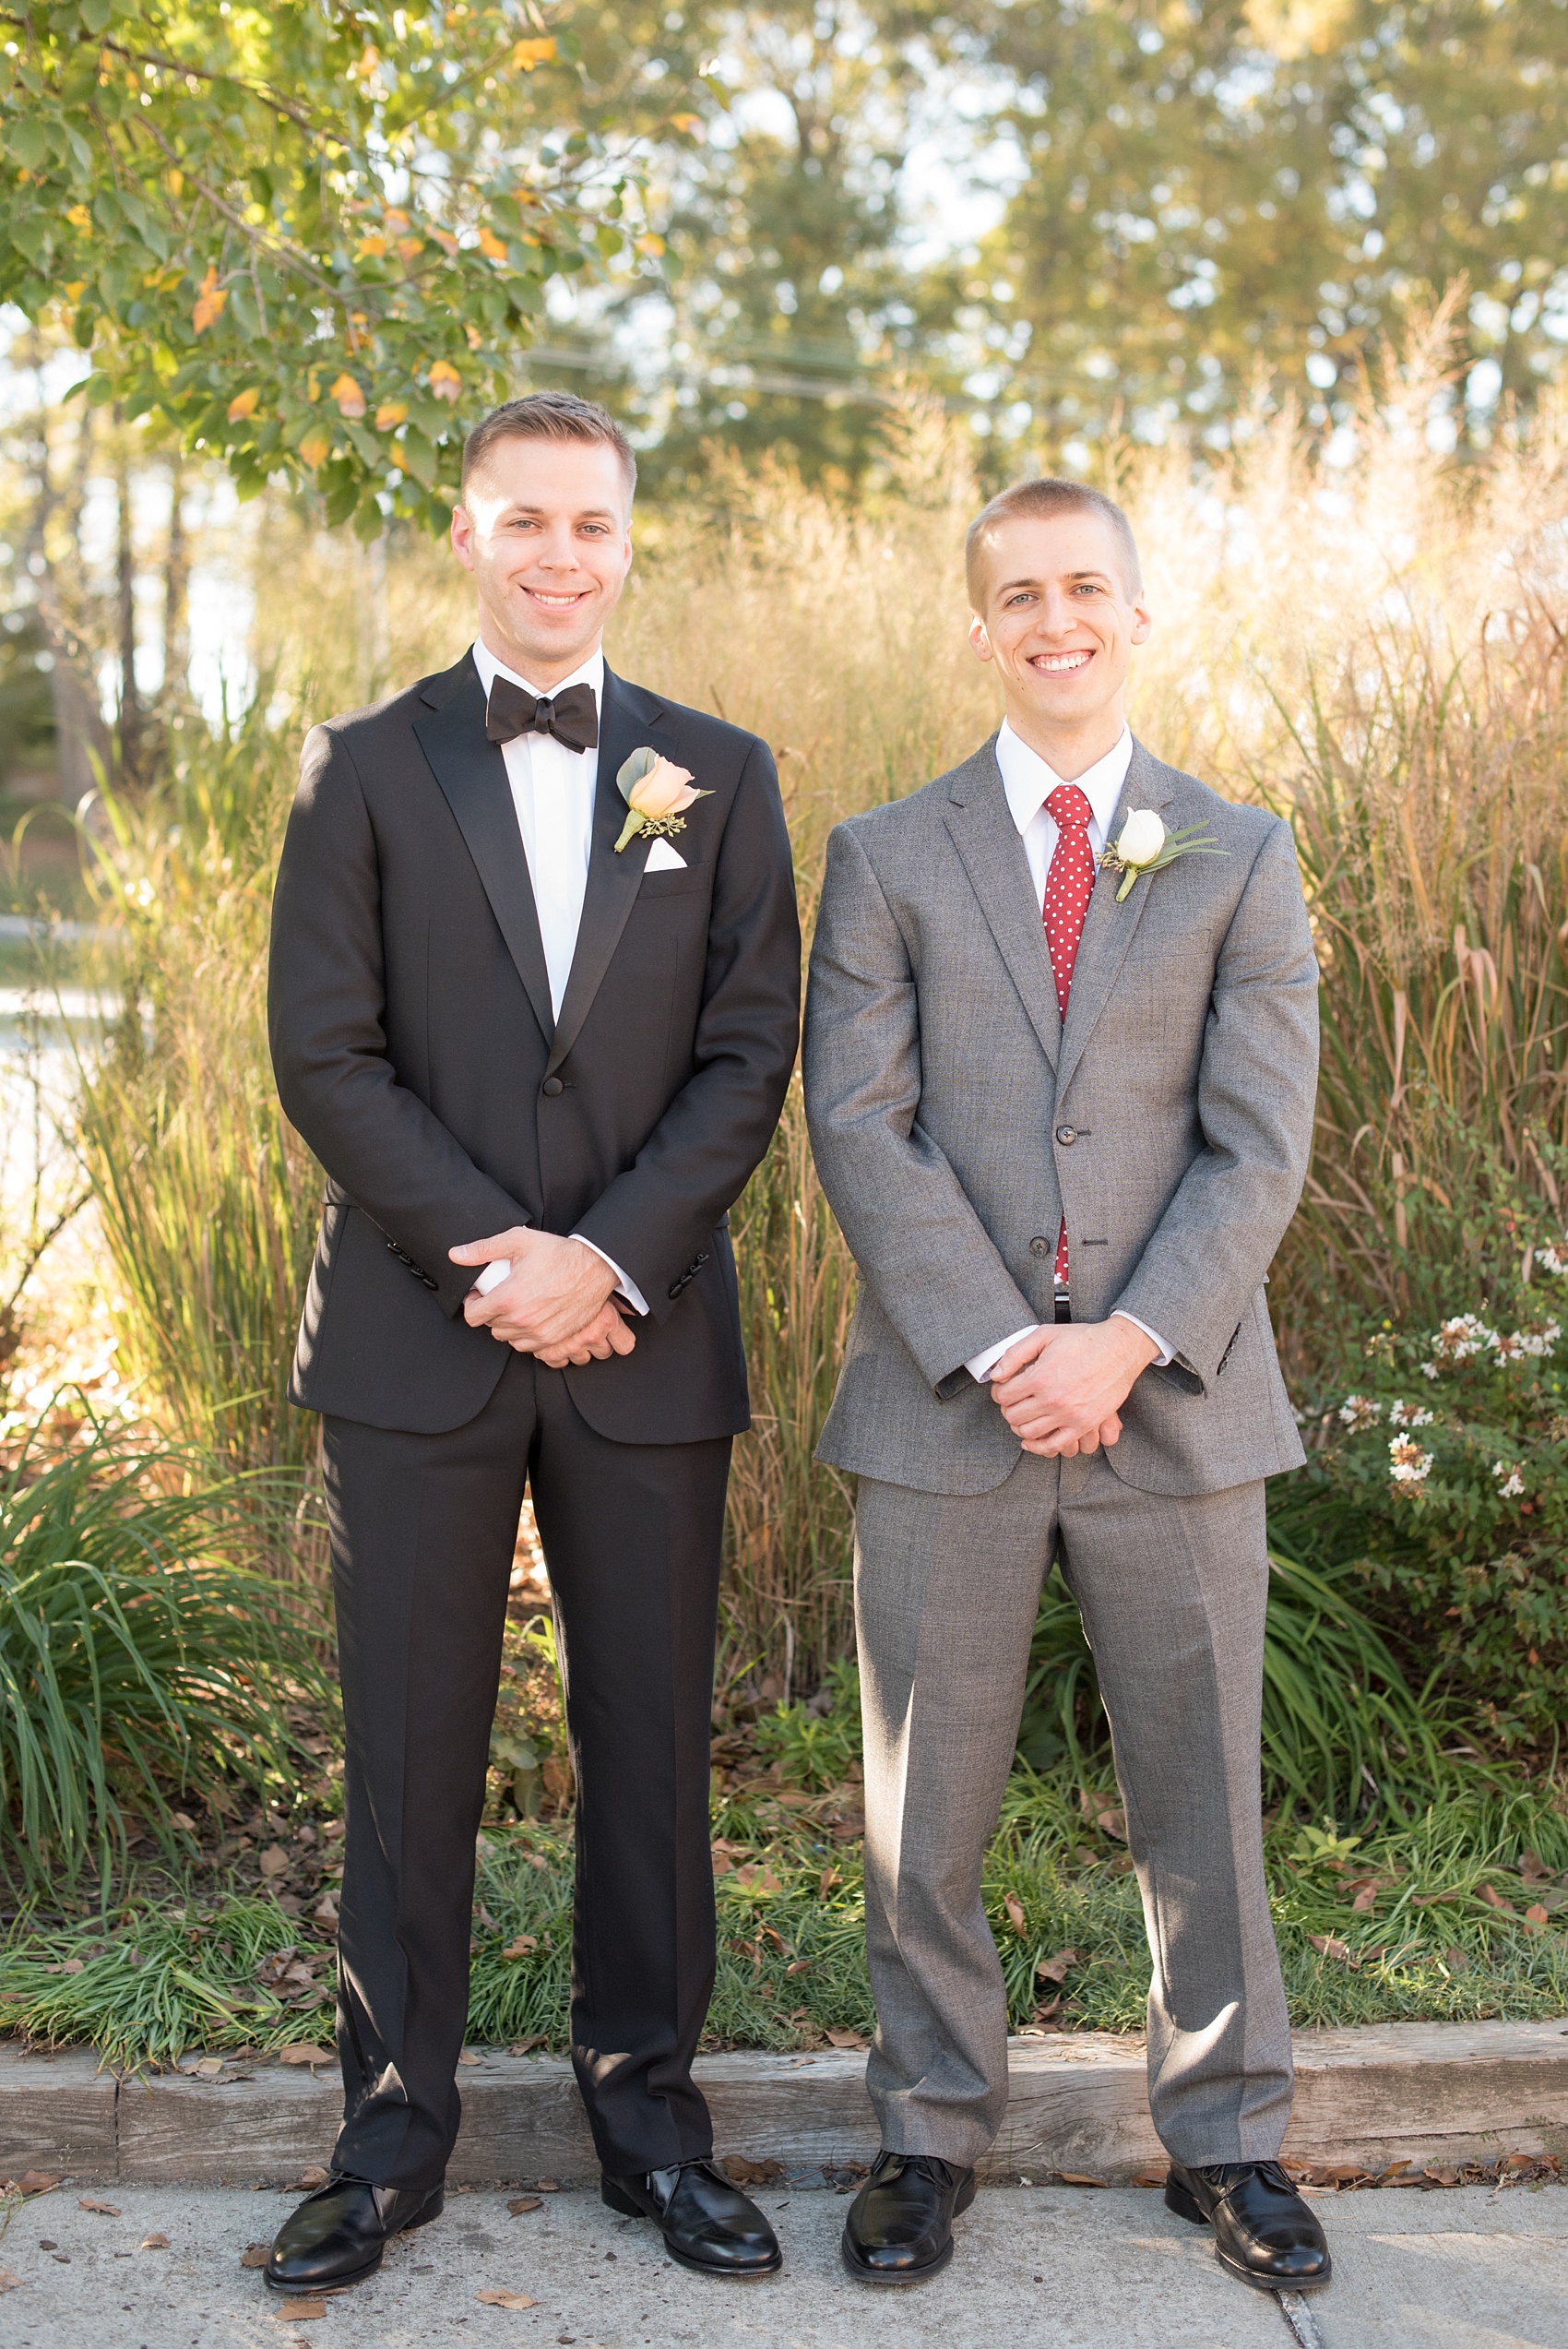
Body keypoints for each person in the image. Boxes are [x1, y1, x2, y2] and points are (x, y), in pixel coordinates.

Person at [265, 391, 801, 2294]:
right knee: (405, 1748)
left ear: (627, 540)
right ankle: (388, 2136)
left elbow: (750, 1055)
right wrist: (501, 1257)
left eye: (589, 522)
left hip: (641, 1340)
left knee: (651, 1747)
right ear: (468, 530)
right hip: (421, 1334)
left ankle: (652, 2125)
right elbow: (325, 1053)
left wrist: (608, 1264)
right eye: (524, 520)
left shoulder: (722, 773)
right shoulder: (361, 764)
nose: (558, 553)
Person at [802, 476, 1329, 2297]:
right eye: (1017, 593)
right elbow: (859, 1128)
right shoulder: (884, 856)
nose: (1054, 620)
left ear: (1137, 610)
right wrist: (1003, 1343)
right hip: (948, 1398)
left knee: (1202, 1793)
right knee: (919, 1800)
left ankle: (1232, 2137)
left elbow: (1257, 1147)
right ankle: (924, 2132)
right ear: (977, 625)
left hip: (1175, 1399)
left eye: (1085, 587)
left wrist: (1123, 1338)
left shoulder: (1237, 851)